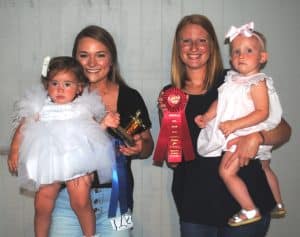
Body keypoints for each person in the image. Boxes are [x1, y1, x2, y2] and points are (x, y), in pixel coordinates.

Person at [158, 14, 291, 237]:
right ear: (178, 47)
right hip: (195, 209)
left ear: (212, 46)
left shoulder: (237, 79)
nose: (193, 47)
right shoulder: (170, 95)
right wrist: (171, 134)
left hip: (247, 205)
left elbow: (284, 130)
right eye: (186, 40)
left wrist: (257, 137)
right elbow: (175, 162)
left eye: (202, 40)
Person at [49, 25, 154, 237]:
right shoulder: (61, 94)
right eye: (84, 55)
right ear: (74, 59)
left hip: (118, 202)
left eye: (100, 55)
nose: (92, 63)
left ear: (111, 59)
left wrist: (141, 148)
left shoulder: (130, 97)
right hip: (67, 200)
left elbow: (147, 146)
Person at [7, 56, 119, 237]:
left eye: (67, 84)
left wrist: (105, 123)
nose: (60, 89)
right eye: (54, 83)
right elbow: (23, 128)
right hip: (49, 161)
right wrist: (14, 151)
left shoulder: (82, 108)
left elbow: (95, 134)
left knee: (80, 202)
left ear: (79, 87)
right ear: (46, 85)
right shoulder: (40, 107)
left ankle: (90, 235)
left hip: (76, 161)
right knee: (42, 204)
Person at [195, 22, 286, 226]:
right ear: (230, 58)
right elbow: (221, 101)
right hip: (246, 132)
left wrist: (235, 124)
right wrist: (207, 116)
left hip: (246, 133)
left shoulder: (257, 81)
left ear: (263, 57)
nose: (241, 55)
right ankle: (278, 204)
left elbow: (262, 112)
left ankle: (249, 209)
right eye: (236, 51)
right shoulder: (232, 80)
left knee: (226, 171)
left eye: (248, 50)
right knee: (264, 167)